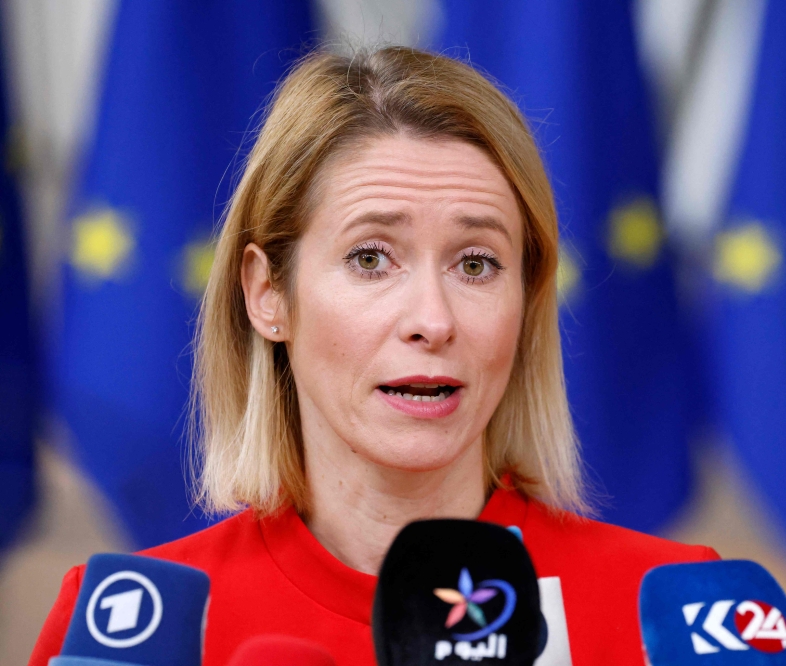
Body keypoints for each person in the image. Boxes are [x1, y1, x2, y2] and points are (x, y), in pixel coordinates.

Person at [30, 46, 717, 666]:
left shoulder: (677, 622)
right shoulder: (124, 632)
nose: (432, 320)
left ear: (528, 301)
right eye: (370, 258)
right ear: (268, 293)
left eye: (476, 264)